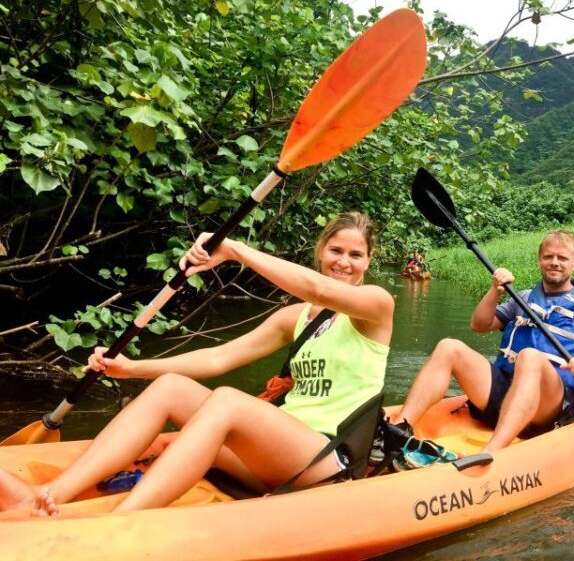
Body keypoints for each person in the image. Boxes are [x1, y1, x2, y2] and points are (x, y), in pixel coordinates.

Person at [0, 212, 393, 516]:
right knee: (173, 386)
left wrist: (234, 250)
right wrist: (130, 368)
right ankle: (50, 495)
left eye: (355, 254)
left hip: (327, 458)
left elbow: (318, 287)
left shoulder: (377, 306)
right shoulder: (296, 317)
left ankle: (122, 519)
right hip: (275, 454)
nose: (344, 262)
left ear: (369, 260)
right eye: (336, 251)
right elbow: (218, 356)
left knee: (228, 401)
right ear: (320, 252)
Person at [391, 229, 574, 458]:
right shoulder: (526, 298)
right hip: (508, 393)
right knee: (449, 346)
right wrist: (495, 290)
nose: (555, 262)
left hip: (550, 407)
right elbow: (480, 325)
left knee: (529, 356)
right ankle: (400, 429)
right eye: (548, 256)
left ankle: (490, 453)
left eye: (562, 258)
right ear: (539, 260)